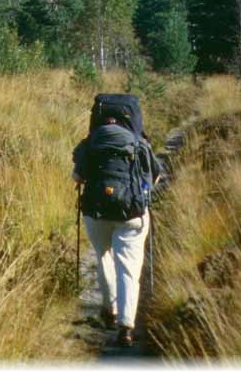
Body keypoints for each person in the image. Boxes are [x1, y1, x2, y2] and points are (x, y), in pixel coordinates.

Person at [72, 114, 163, 347]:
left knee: (103, 257)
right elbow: (155, 176)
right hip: (131, 213)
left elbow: (77, 176)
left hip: (97, 211)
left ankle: (109, 311)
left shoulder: (90, 142)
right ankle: (126, 326)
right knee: (129, 268)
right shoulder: (139, 142)